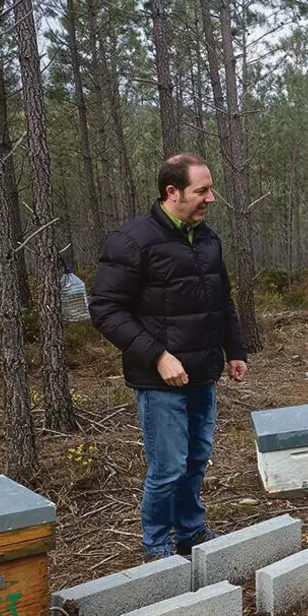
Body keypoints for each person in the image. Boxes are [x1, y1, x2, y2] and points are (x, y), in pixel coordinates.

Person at [90, 153, 248, 561]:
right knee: (168, 468)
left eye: (210, 189)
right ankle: (157, 545)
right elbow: (106, 310)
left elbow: (221, 301)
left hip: (203, 374)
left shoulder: (207, 238)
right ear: (172, 192)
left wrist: (235, 351)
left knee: (196, 459)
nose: (211, 198)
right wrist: (158, 356)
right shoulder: (131, 241)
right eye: (202, 190)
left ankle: (191, 533)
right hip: (159, 381)